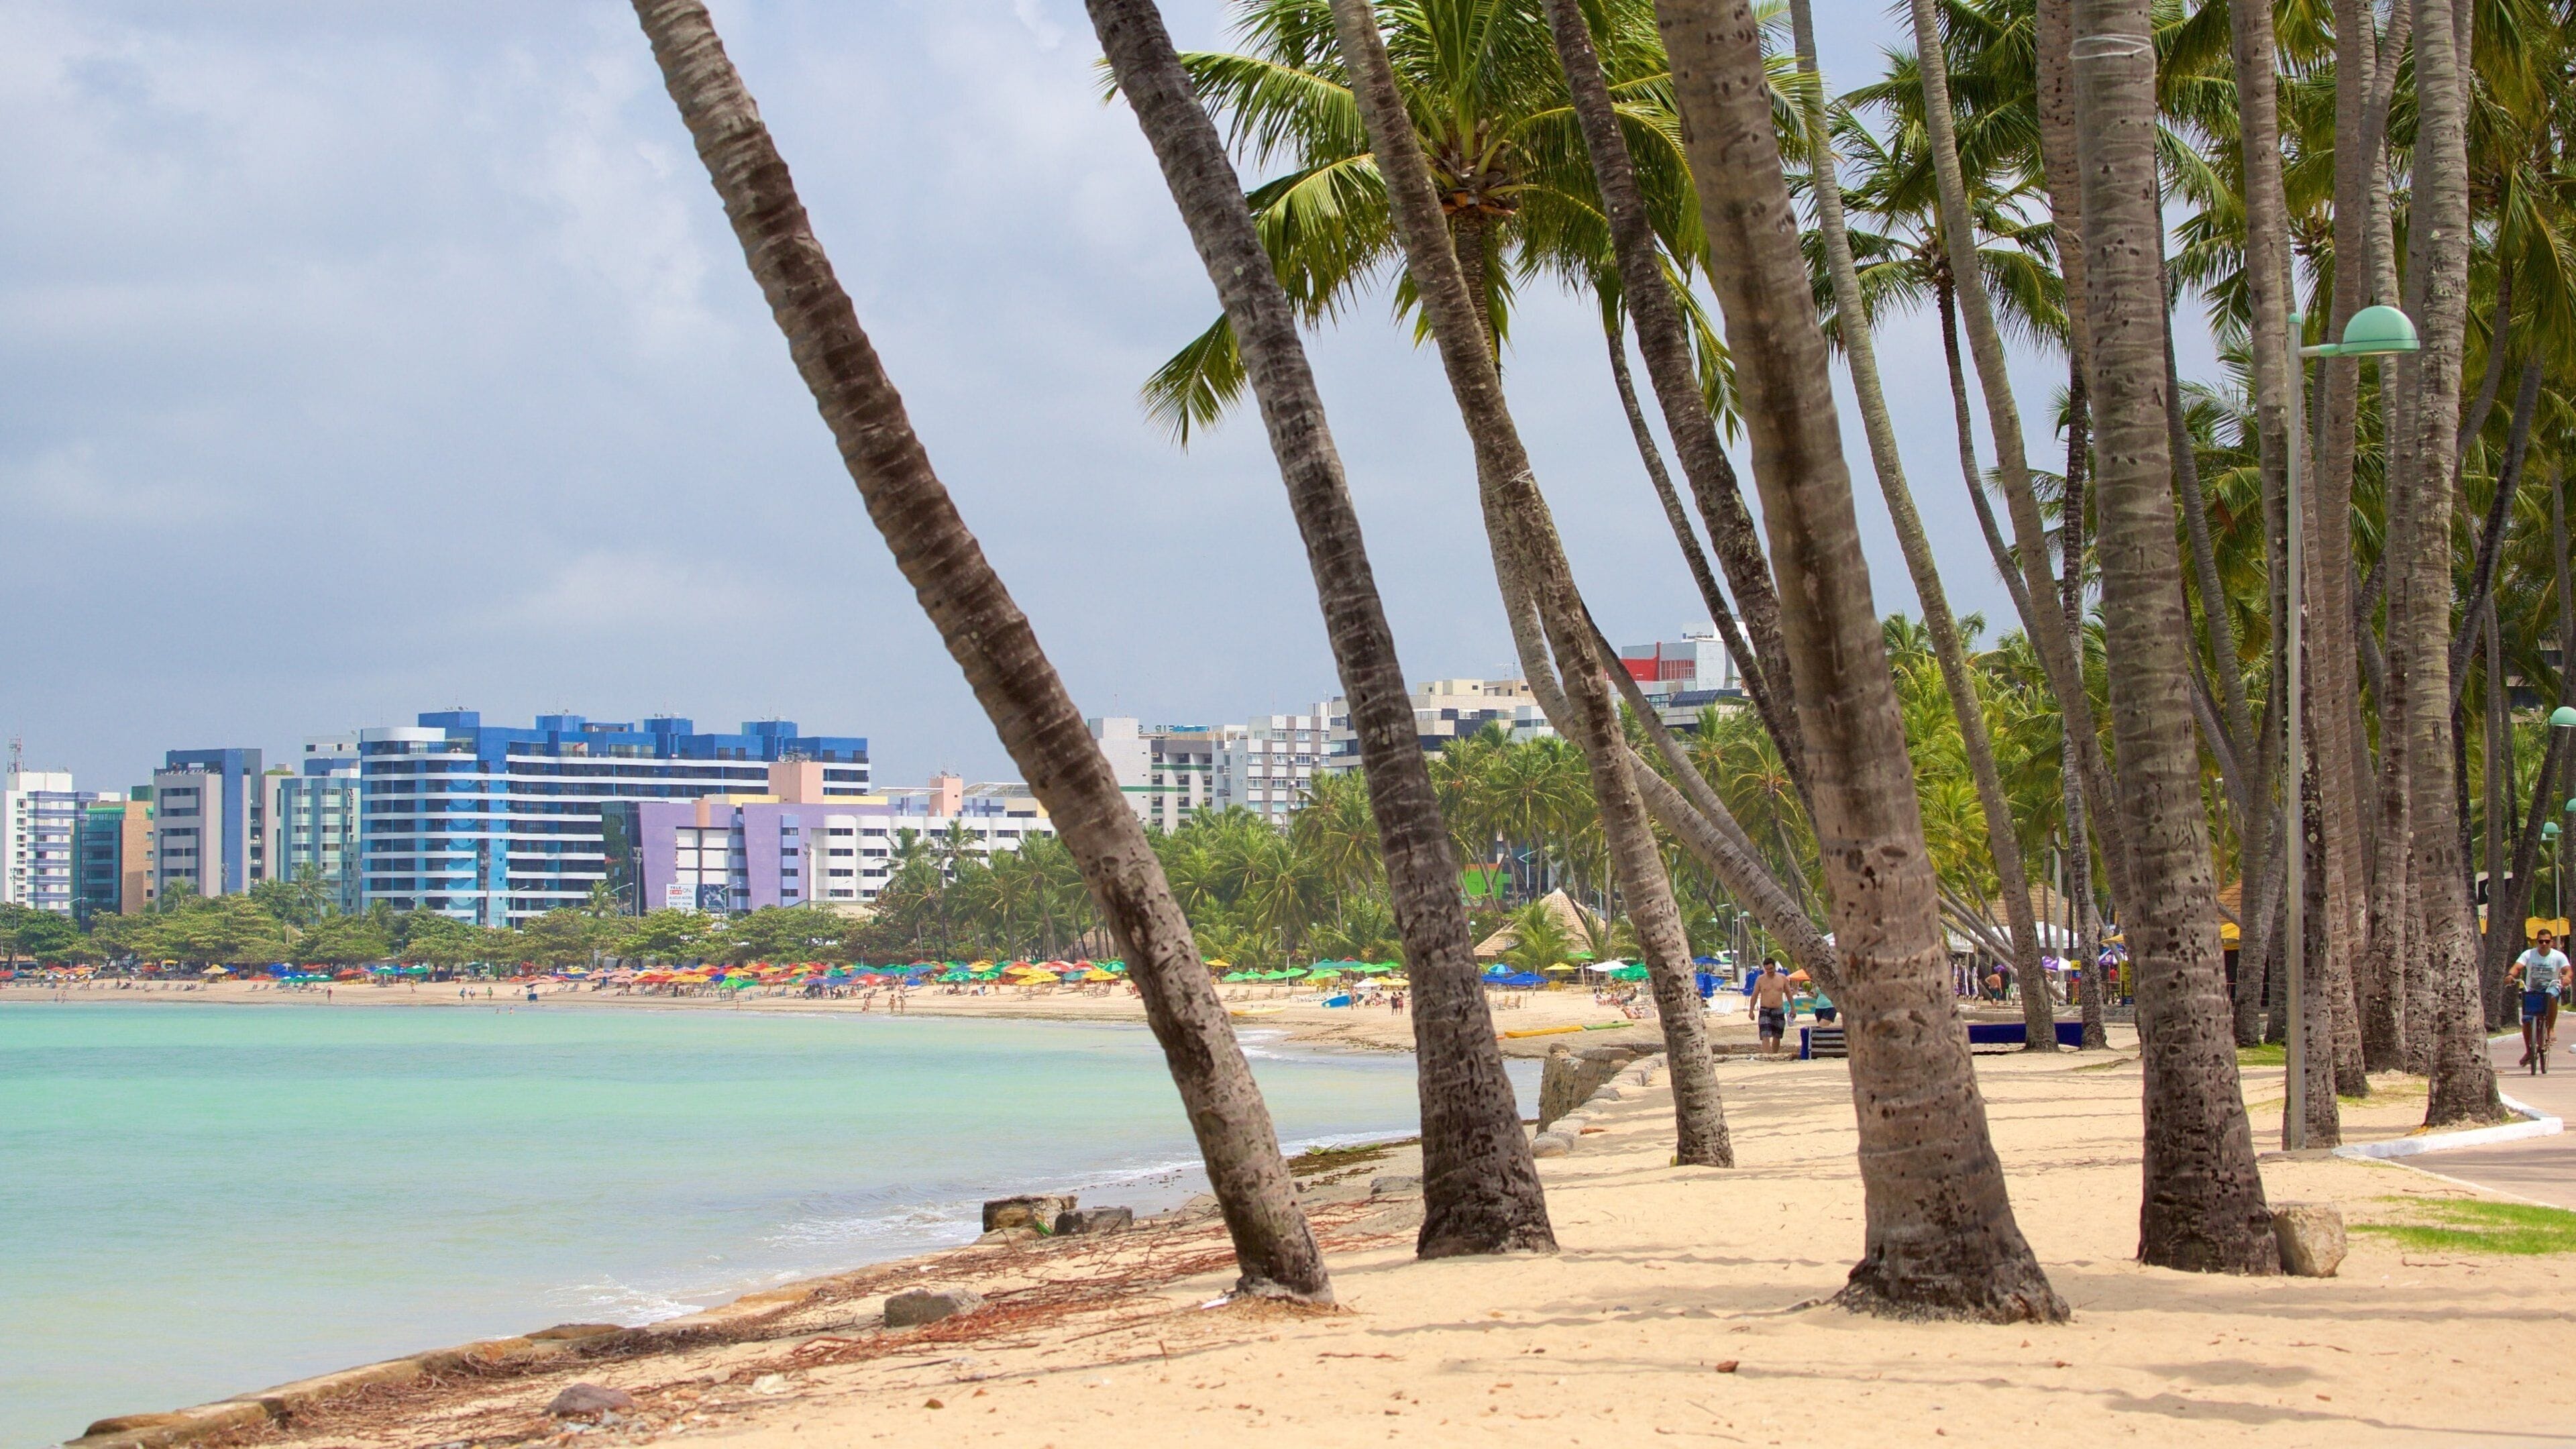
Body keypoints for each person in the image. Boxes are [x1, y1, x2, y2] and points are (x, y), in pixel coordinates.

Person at [2516, 928, 2569, 1067]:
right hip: (2532, 989)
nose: (2544, 944)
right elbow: (2517, 967)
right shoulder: (2528, 954)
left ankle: (2550, 1029)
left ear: (2551, 942)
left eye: (2547, 941)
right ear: (2537, 942)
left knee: (2551, 995)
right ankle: (2529, 1051)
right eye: (2541, 941)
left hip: (2551, 986)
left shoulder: (2558, 956)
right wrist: (2511, 975)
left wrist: (2567, 977)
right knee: (2527, 1021)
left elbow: (2567, 970)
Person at [1748, 959, 1792, 1056]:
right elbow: (1755, 995)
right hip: (1765, 1009)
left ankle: (1774, 1055)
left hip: (1779, 1009)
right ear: (1765, 969)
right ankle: (1766, 1056)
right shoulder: (1760, 979)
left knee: (1777, 1035)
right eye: (1767, 969)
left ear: (1774, 967)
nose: (1770, 971)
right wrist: (1751, 1011)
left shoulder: (1782, 978)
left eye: (1771, 968)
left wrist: (1793, 1008)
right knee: (1765, 1035)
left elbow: (1789, 993)